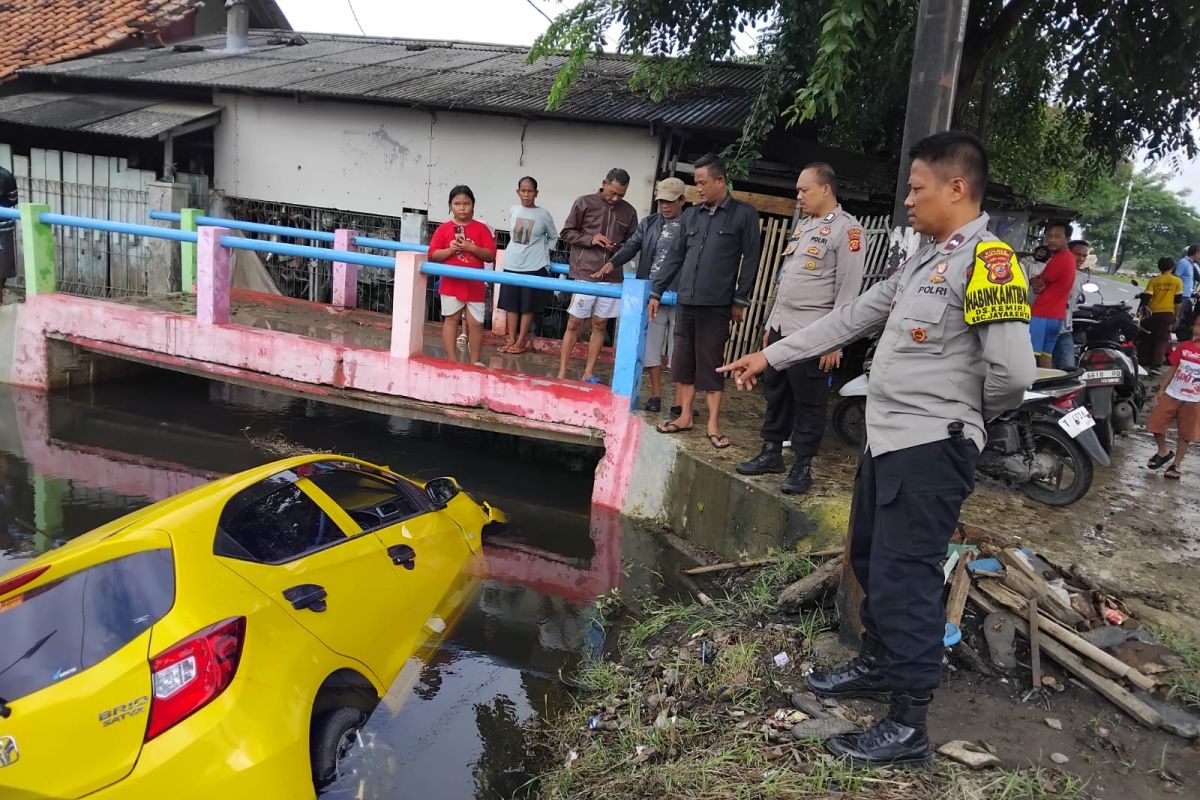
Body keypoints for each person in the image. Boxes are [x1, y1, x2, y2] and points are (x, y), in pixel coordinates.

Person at [719, 131, 1035, 768]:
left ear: (956, 187)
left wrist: (962, 415)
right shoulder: (924, 259)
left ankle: (908, 724)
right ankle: (878, 664)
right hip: (888, 442)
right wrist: (770, 353)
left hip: (929, 447)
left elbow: (1015, 376)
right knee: (867, 558)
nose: (909, 200)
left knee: (907, 580)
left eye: (917, 188)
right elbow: (853, 316)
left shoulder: (989, 261)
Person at [737, 163, 865, 493]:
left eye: (804, 190)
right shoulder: (805, 226)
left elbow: (848, 292)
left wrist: (835, 342)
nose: (798, 196)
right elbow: (787, 281)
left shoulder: (848, 231)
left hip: (815, 334)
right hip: (782, 328)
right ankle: (770, 452)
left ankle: (802, 465)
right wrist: (770, 326)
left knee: (809, 401)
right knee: (776, 394)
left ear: (826, 189)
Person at [649, 153, 761, 448]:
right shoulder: (691, 216)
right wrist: (657, 291)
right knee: (682, 361)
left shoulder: (744, 215)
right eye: (696, 183)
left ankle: (713, 424)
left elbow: (751, 259)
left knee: (711, 364)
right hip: (686, 300)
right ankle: (684, 415)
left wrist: (740, 299)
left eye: (702, 183)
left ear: (720, 181)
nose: (698, 189)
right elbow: (675, 256)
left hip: (717, 304)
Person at [603, 177, 688, 412]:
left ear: (683, 200)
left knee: (680, 349)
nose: (665, 206)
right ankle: (657, 395)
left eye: (670, 201)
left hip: (681, 293)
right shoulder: (649, 223)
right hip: (652, 293)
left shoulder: (693, 224)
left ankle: (680, 401)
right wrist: (613, 262)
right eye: (661, 201)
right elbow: (632, 246)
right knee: (651, 347)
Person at [557, 168, 638, 383]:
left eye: (621, 194)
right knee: (574, 322)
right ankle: (562, 372)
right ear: (604, 183)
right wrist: (591, 239)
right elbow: (566, 233)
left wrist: (617, 248)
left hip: (612, 277)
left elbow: (633, 244)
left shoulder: (629, 212)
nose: (615, 198)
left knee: (600, 324)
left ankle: (588, 373)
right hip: (585, 272)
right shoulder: (584, 202)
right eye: (612, 192)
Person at [427, 185, 497, 366]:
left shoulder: (481, 229)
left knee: (476, 324)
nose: (462, 207)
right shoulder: (443, 229)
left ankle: (475, 362)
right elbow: (433, 255)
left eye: (466, 203)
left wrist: (472, 248)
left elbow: (490, 255)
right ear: (451, 206)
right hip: (451, 282)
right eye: (457, 203)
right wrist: (450, 249)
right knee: (451, 319)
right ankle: (452, 361)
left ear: (473, 205)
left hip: (475, 284)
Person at [498, 176, 557, 354]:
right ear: (518, 192)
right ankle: (511, 339)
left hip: (534, 266)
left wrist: (545, 253)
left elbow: (554, 237)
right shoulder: (513, 210)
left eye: (530, 191)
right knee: (511, 304)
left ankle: (521, 341)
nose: (526, 194)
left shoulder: (544, 214)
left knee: (527, 305)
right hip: (512, 263)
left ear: (536, 193)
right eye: (523, 190)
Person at [1146, 314, 1200, 480]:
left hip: (1194, 399)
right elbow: (1173, 369)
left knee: (1185, 434)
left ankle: (1176, 465)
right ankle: (1163, 451)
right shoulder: (1185, 347)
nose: (1196, 328)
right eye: (1196, 325)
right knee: (1155, 424)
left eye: (1199, 326)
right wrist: (1162, 388)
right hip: (1173, 393)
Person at [1028, 221, 1074, 367]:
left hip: (1042, 314)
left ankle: (1029, 387)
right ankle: (1045, 387)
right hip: (1057, 316)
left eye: (1058, 236)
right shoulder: (1069, 259)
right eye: (1049, 236)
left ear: (1067, 239)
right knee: (1046, 355)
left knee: (1030, 355)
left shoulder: (1060, 260)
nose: (1052, 240)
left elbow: (1037, 285)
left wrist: (1031, 280)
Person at [1050, 239, 1091, 370]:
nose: (1081, 259)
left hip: (1065, 330)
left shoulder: (1081, 276)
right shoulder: (1051, 269)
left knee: (1069, 370)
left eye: (1084, 256)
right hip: (1046, 327)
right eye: (1078, 254)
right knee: (1042, 369)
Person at [1142, 257, 1184, 368]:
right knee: (1162, 339)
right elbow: (1178, 300)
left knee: (1147, 336)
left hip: (1152, 313)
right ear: (1172, 267)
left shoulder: (1154, 280)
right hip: (1167, 313)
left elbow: (1146, 298)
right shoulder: (1177, 281)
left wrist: (1141, 313)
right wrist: (1176, 315)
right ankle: (1156, 363)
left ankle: (1144, 360)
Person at [0, 165, 17, 304]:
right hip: (4, 225)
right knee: (3, 265)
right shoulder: (6, 175)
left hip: (3, 225)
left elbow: (13, 200)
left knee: (3, 265)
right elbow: (13, 200)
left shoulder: (5, 176)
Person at [1174, 244, 1198, 338]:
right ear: (1196, 253)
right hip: (1181, 294)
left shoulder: (1191, 264)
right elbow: (1176, 277)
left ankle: (1173, 334)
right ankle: (1169, 335)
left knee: (1180, 317)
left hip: (1187, 294)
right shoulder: (1183, 262)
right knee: (1176, 316)